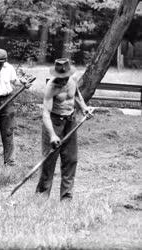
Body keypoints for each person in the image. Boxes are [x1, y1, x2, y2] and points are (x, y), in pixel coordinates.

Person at [35, 58, 92, 201]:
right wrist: (53, 135)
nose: (62, 81)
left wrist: (84, 108)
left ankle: (66, 197)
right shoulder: (51, 87)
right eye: (60, 78)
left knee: (71, 159)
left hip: (70, 121)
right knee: (49, 160)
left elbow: (77, 95)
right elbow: (46, 114)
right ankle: (42, 196)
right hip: (54, 122)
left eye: (64, 78)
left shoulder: (72, 80)